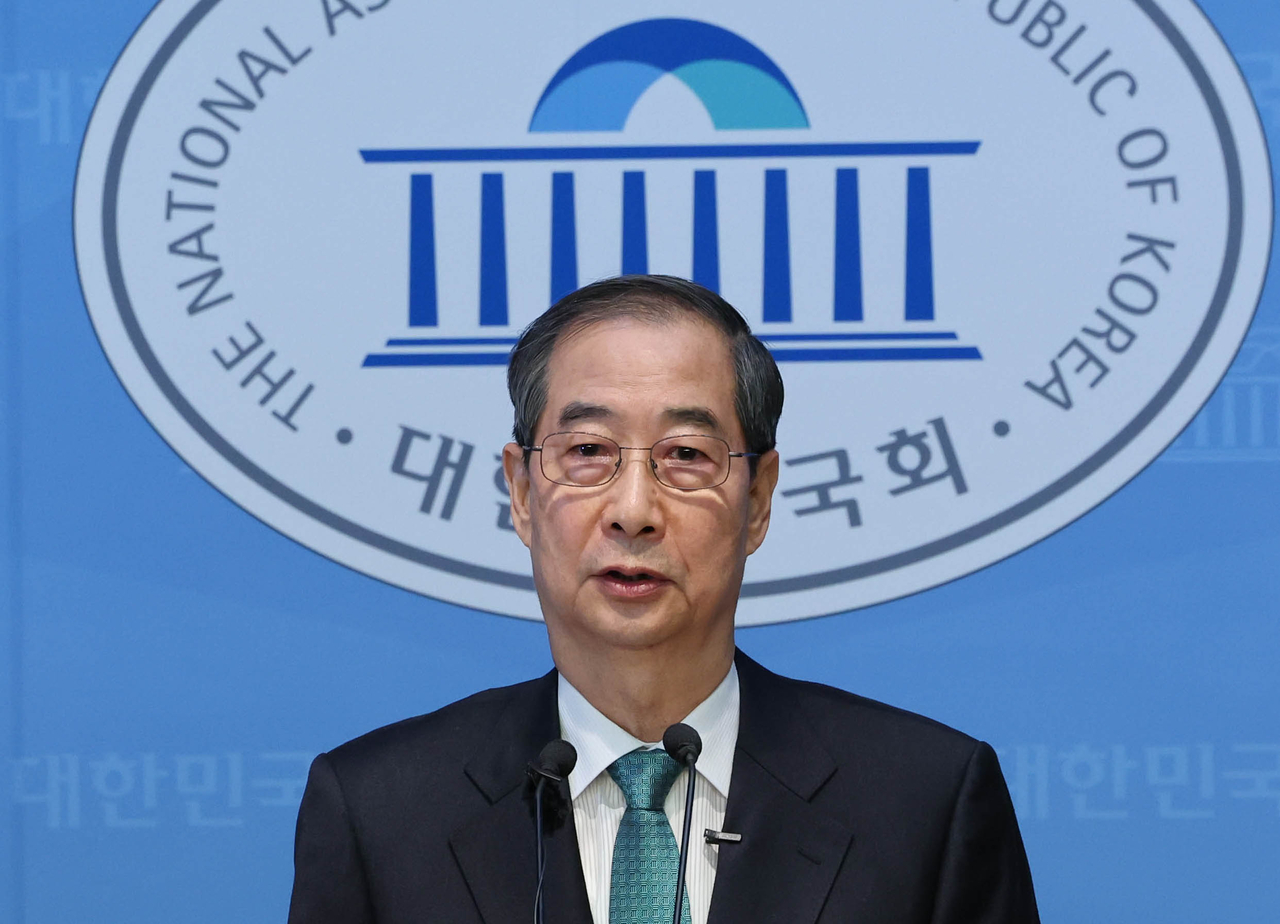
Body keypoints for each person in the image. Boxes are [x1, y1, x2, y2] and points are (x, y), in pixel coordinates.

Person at [287, 275, 1040, 924]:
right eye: (588, 452)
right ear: (520, 492)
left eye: (685, 454)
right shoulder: (379, 812)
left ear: (758, 500)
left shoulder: (925, 802)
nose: (633, 510)